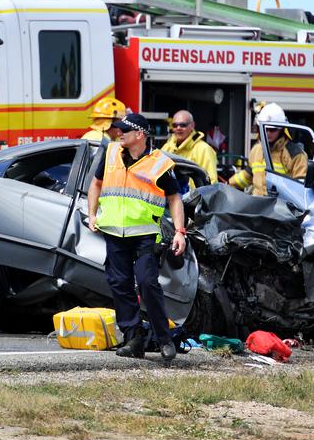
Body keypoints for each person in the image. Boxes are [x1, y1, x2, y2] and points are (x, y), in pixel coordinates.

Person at [87, 113, 187, 361]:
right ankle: (134, 339)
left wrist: (179, 232)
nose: (119, 133)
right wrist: (91, 214)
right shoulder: (111, 153)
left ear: (139, 135)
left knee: (147, 283)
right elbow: (96, 184)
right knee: (119, 285)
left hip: (144, 235)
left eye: (124, 130)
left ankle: (164, 339)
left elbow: (174, 198)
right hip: (113, 233)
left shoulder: (158, 164)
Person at [228, 103, 308, 196]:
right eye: (265, 129)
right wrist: (228, 184)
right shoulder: (256, 150)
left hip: (281, 208)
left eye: (273, 130)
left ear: (282, 129)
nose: (268, 133)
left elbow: (301, 191)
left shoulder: (295, 154)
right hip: (257, 206)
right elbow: (248, 175)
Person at [161, 110, 218, 185]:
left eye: (183, 125)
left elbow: (211, 182)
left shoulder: (204, 149)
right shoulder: (167, 148)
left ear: (192, 125)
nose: (178, 128)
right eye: (175, 125)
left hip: (195, 196)